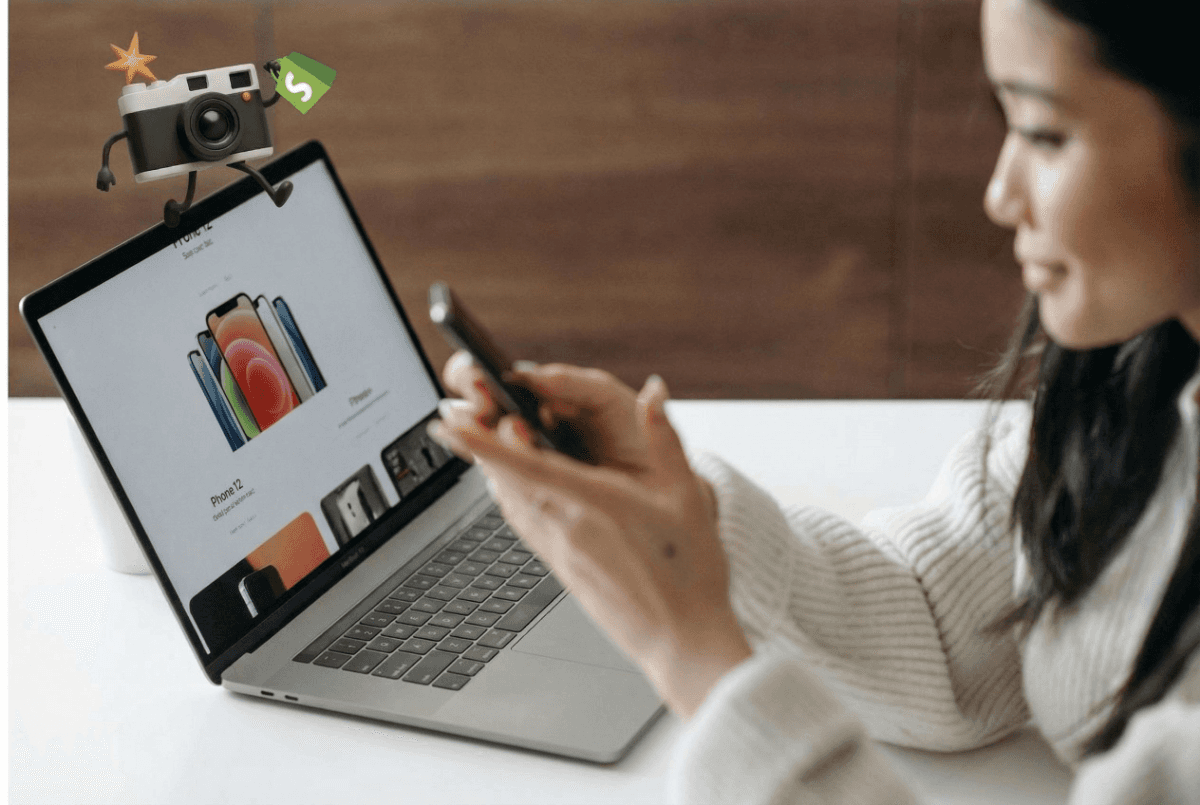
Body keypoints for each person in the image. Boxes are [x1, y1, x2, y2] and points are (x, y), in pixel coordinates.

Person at [428, 0, 1200, 800]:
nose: (1000, 195)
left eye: (1044, 134)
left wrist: (691, 653)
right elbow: (945, 629)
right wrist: (691, 520)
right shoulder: (1145, 379)